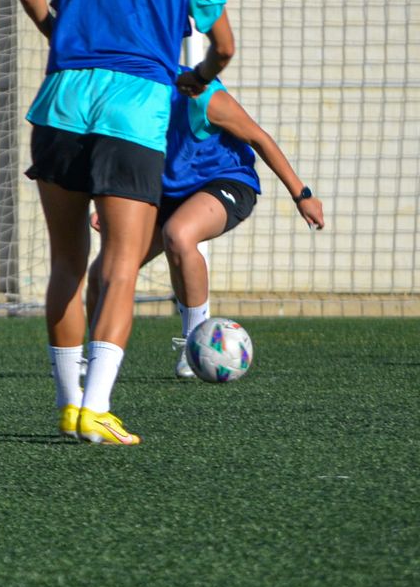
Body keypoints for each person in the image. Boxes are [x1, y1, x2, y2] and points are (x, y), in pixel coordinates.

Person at [17, 0, 234, 445]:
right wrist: (195, 79)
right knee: (119, 261)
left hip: (60, 102)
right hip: (133, 112)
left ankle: (66, 403)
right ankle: (97, 406)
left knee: (64, 263)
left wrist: (67, 44)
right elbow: (223, 46)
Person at [85, 70, 326, 377]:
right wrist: (110, 205)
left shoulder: (199, 93)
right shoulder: (124, 98)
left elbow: (258, 138)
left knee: (179, 234)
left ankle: (195, 342)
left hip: (226, 181)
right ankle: (93, 358)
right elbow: (121, 157)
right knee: (103, 271)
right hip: (164, 193)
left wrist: (301, 195)